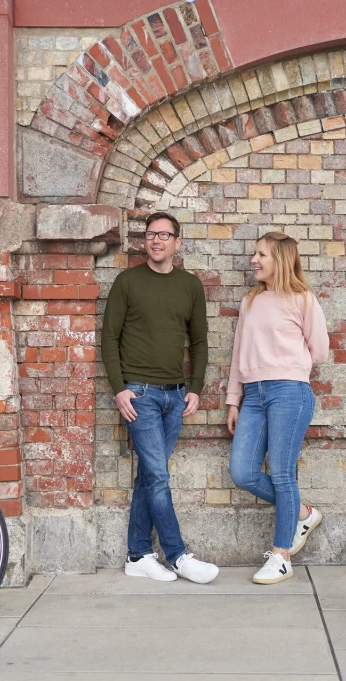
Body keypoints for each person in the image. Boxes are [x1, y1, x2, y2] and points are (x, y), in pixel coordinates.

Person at [101, 211, 219, 584]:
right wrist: (120, 388)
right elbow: (109, 338)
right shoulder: (127, 282)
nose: (157, 241)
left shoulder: (190, 286)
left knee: (150, 479)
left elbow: (199, 341)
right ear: (144, 241)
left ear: (177, 243)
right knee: (158, 476)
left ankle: (137, 555)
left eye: (165, 235)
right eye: (151, 234)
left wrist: (195, 388)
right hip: (140, 395)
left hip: (174, 397)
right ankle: (178, 555)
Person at [227, 231, 328, 584]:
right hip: (252, 396)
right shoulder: (250, 301)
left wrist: (287, 368)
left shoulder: (302, 300)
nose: (254, 260)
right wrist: (233, 399)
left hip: (289, 392)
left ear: (280, 260)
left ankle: (281, 556)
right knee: (243, 472)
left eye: (261, 255)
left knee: (284, 474)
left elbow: (320, 352)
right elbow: (239, 353)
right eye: (254, 254)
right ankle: (302, 512)